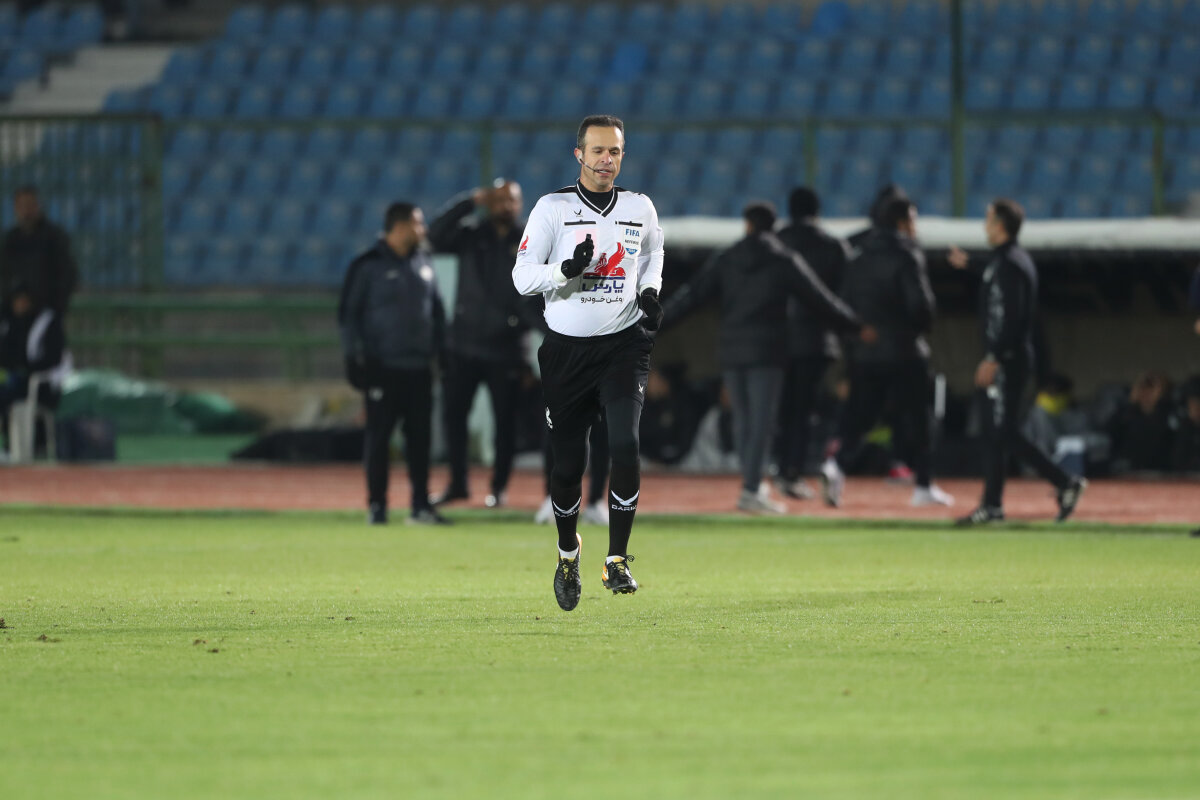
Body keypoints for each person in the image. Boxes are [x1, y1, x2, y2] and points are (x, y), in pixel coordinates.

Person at [512, 114, 664, 611]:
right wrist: (565, 270)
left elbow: (654, 252)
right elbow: (522, 277)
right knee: (566, 467)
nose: (606, 160)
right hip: (566, 353)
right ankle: (567, 554)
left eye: (614, 151)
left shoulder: (640, 207)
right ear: (578, 155)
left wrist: (649, 291)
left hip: (623, 346)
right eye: (597, 150)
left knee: (626, 444)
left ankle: (616, 559)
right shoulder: (552, 208)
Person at [663, 202, 871, 514]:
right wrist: (856, 326)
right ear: (773, 227)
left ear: (747, 225)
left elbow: (692, 296)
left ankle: (751, 485)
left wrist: (655, 322)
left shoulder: (727, 257)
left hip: (731, 350)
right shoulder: (783, 260)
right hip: (767, 352)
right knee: (761, 422)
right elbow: (820, 300)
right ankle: (752, 489)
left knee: (743, 421)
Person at [948, 198, 1085, 525]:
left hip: (1008, 362)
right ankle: (993, 504)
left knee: (1004, 432)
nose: (984, 225)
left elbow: (1014, 315)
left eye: (988, 219)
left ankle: (1064, 482)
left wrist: (994, 357)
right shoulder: (1005, 261)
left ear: (999, 225)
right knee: (997, 432)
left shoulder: (1010, 264)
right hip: (1007, 359)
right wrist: (970, 264)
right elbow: (993, 274)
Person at [820, 198, 955, 509]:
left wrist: (856, 337)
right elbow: (920, 305)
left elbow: (842, 306)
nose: (916, 227)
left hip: (866, 354)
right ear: (902, 222)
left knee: (861, 417)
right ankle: (923, 486)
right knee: (920, 419)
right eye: (913, 220)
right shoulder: (907, 254)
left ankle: (836, 465)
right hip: (905, 351)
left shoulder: (858, 256)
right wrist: (918, 327)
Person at [426, 179, 545, 510]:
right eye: (499, 200)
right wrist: (468, 201)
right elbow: (434, 237)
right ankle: (457, 484)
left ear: (520, 204)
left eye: (512, 200)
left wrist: (523, 324)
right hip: (463, 345)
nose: (506, 206)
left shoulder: (531, 239)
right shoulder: (470, 234)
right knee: (454, 418)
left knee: (505, 423)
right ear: (488, 203)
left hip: (507, 348)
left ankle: (498, 488)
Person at [338, 202, 448, 526]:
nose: (423, 230)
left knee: (420, 441)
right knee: (379, 439)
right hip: (382, 368)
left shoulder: (424, 261)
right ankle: (377, 506)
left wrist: (441, 352)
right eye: (418, 223)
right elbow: (349, 315)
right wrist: (353, 357)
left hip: (419, 369)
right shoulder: (367, 265)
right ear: (399, 227)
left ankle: (420, 505)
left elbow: (436, 312)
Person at [773, 186, 854, 500]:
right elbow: (842, 298)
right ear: (817, 212)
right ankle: (793, 471)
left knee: (780, 408)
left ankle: (778, 467)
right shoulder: (833, 246)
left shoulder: (775, 243)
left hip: (777, 341)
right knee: (804, 410)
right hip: (817, 342)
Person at [0, 185, 78, 317]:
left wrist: (41, 301)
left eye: (30, 205)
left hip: (47, 312)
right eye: (21, 206)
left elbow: (66, 275)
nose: (26, 211)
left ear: (38, 206)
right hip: (14, 312)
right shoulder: (10, 240)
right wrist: (14, 298)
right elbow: (4, 275)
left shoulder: (54, 237)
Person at [0, 283, 67, 425]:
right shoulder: (11, 323)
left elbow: (54, 358)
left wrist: (26, 370)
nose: (20, 305)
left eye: (24, 301)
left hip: (42, 385)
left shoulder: (47, 321)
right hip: (15, 380)